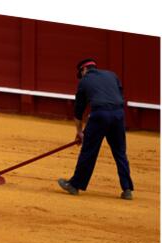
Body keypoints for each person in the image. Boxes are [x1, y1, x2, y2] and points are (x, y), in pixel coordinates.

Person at [57, 58, 134, 199]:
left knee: (89, 151)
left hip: (100, 115)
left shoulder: (84, 81)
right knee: (120, 152)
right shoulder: (112, 75)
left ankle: (74, 185)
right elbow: (119, 96)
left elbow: (78, 110)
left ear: (84, 70)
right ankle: (127, 189)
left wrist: (80, 132)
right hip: (118, 115)